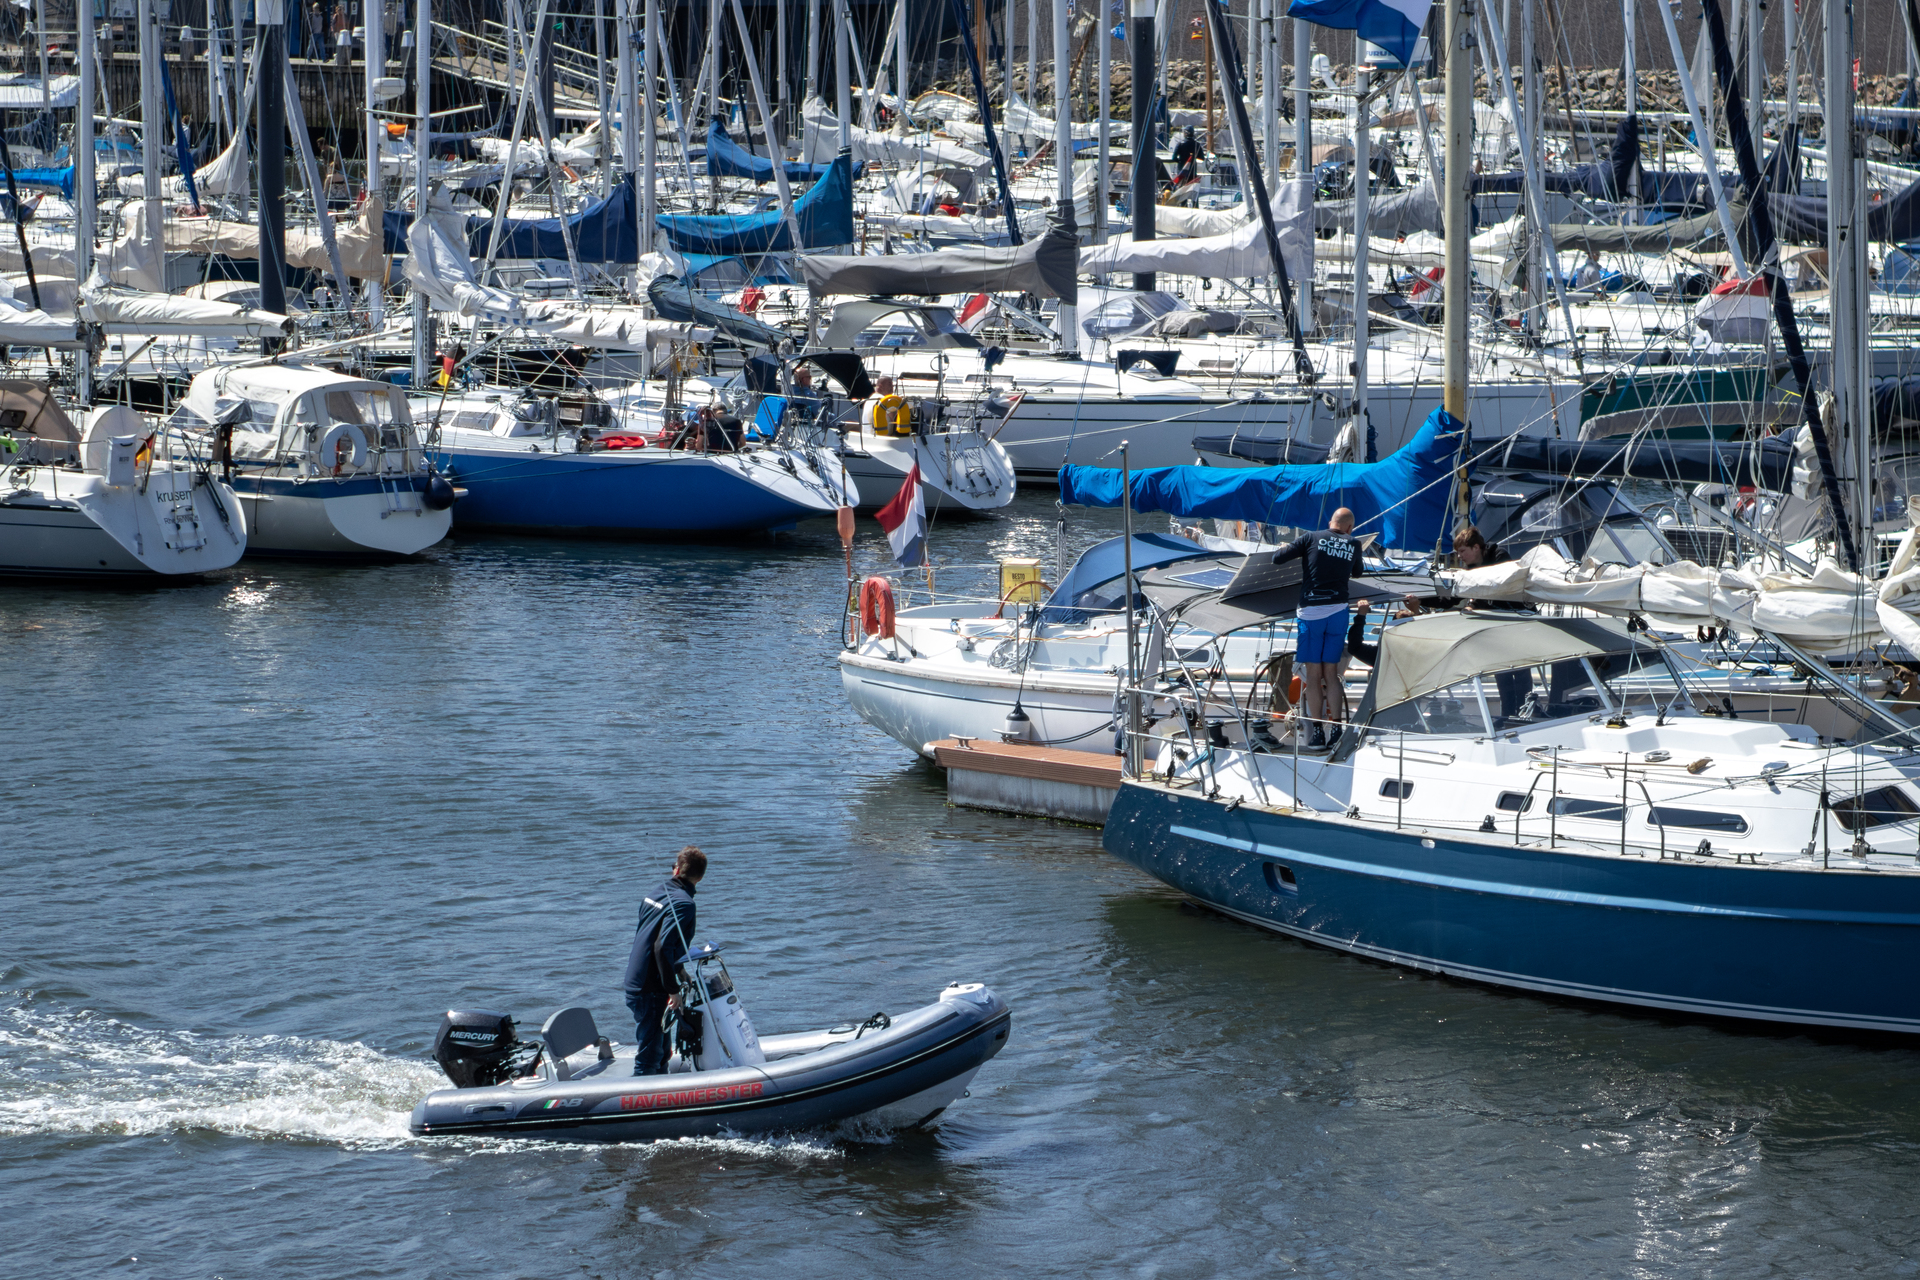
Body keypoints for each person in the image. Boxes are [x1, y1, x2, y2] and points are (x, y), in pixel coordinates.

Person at [1275, 507, 1364, 751]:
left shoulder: (1311, 537)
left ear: (1329, 522)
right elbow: (1357, 572)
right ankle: (1336, 729)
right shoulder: (1353, 542)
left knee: (1313, 676)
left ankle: (1316, 733)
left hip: (1311, 611)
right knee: (1331, 673)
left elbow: (1278, 558)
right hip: (1338, 612)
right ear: (1349, 528)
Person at [622, 845, 706, 1076]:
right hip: (651, 989)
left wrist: (679, 971)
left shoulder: (653, 894)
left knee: (661, 1051)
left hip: (636, 981)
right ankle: (639, 1104)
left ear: (676, 870)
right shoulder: (685, 904)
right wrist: (674, 990)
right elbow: (661, 947)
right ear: (700, 877)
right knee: (650, 1056)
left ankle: (661, 1097)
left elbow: (653, 937)